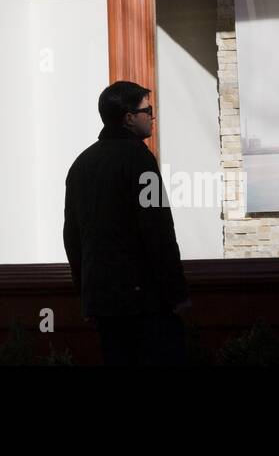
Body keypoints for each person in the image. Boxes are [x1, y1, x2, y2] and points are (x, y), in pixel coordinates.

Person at [63, 80, 191, 365]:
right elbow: (158, 230)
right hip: (145, 301)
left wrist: (86, 295)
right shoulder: (141, 160)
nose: (152, 117)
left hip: (104, 302)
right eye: (148, 110)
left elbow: (72, 236)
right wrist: (177, 292)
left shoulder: (81, 164)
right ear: (129, 118)